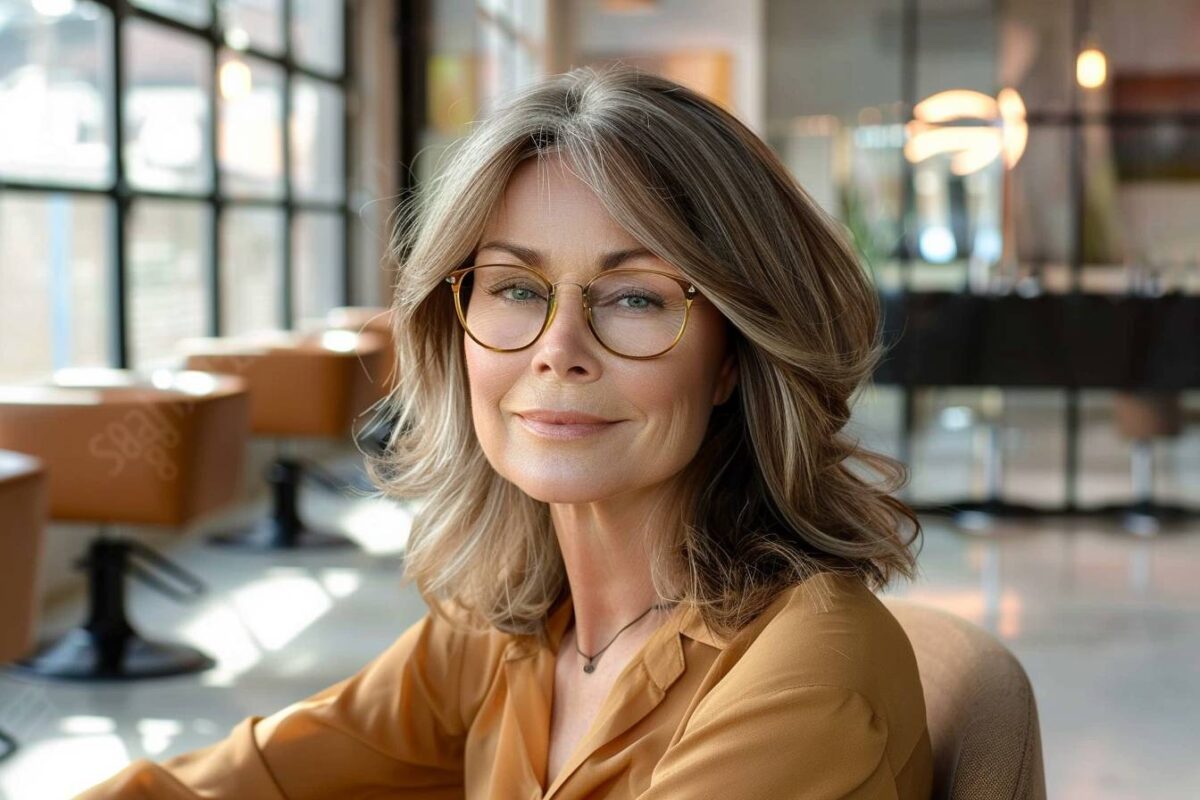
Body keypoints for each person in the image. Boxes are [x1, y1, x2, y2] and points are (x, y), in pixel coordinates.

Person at [79, 65, 931, 799]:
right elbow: (240, 780)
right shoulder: (515, 622)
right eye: (517, 289)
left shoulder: (806, 680)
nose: (559, 353)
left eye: (636, 298)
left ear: (733, 358)